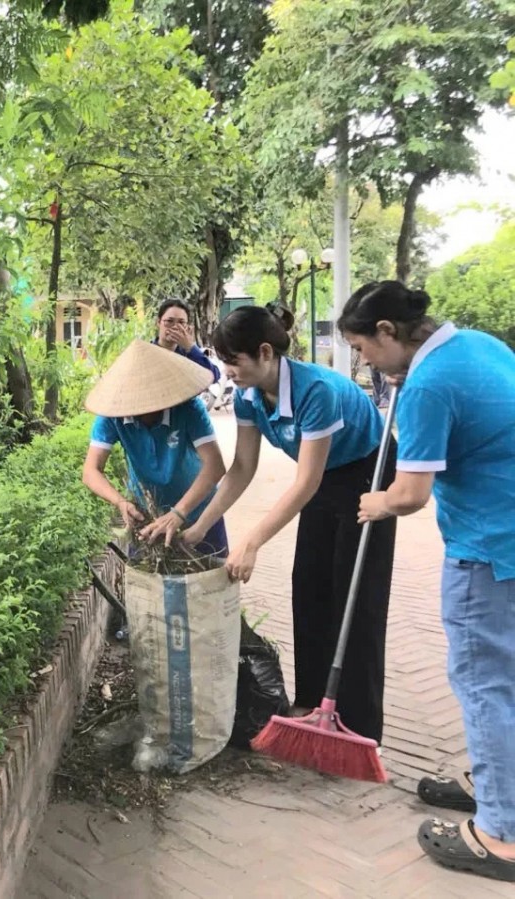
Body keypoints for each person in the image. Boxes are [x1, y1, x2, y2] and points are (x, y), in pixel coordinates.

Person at [343, 281, 515, 882]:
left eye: (362, 348)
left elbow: (411, 494)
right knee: (506, 678)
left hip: (488, 549)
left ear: (387, 332)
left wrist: (377, 501)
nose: (365, 361)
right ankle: (495, 783)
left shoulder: (428, 386)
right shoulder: (479, 345)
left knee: (484, 684)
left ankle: (501, 834)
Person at [183, 303, 396, 745]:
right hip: (323, 475)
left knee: (355, 596)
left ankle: (358, 725)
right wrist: (199, 527)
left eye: (234, 361)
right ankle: (310, 703)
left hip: (367, 470)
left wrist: (252, 542)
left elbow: (306, 483)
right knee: (309, 584)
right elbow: (241, 468)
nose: (228, 371)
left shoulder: (316, 390)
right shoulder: (247, 396)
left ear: (265, 352)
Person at [82, 340, 230, 557]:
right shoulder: (112, 415)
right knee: (146, 576)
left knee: (211, 574)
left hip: (199, 511)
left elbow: (215, 466)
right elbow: (91, 470)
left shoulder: (189, 409)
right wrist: (120, 502)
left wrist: (179, 512)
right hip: (148, 516)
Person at [154, 299, 222, 383]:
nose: (175, 327)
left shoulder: (189, 354)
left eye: (181, 322)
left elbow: (213, 376)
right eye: (169, 321)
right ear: (158, 322)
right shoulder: (146, 353)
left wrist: (190, 347)